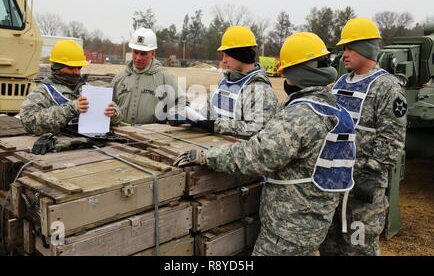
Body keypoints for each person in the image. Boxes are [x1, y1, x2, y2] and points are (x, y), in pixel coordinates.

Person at [174, 32, 356, 256]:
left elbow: (256, 156)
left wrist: (206, 156)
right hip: (314, 219)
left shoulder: (301, 115)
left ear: (299, 74)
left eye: (287, 73)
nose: (285, 80)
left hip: (288, 228)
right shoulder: (336, 110)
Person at [319, 18, 408, 256]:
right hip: (334, 183)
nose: (344, 54)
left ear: (367, 48)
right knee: (330, 246)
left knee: (358, 248)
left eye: (350, 48)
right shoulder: (339, 83)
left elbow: (393, 138)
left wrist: (369, 173)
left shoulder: (387, 87)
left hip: (363, 189)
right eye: (344, 48)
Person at [20, 39, 120, 136]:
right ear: (57, 67)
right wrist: (70, 109)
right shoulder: (42, 92)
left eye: (79, 67)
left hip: (90, 146)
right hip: (58, 149)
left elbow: (118, 113)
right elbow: (29, 122)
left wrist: (113, 114)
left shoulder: (87, 89)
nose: (76, 72)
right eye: (71, 68)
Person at [193, 26, 278, 138]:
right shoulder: (224, 82)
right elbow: (207, 113)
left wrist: (217, 125)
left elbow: (258, 130)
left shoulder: (260, 90)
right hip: (212, 147)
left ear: (240, 55)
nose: (223, 61)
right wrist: (185, 115)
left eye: (227, 55)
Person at [112, 28, 186, 125]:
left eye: (143, 54)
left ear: (153, 53)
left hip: (151, 137)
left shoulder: (164, 78)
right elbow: (108, 106)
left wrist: (171, 119)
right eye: (135, 52)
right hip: (120, 135)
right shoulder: (119, 78)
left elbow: (182, 103)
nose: (138, 58)